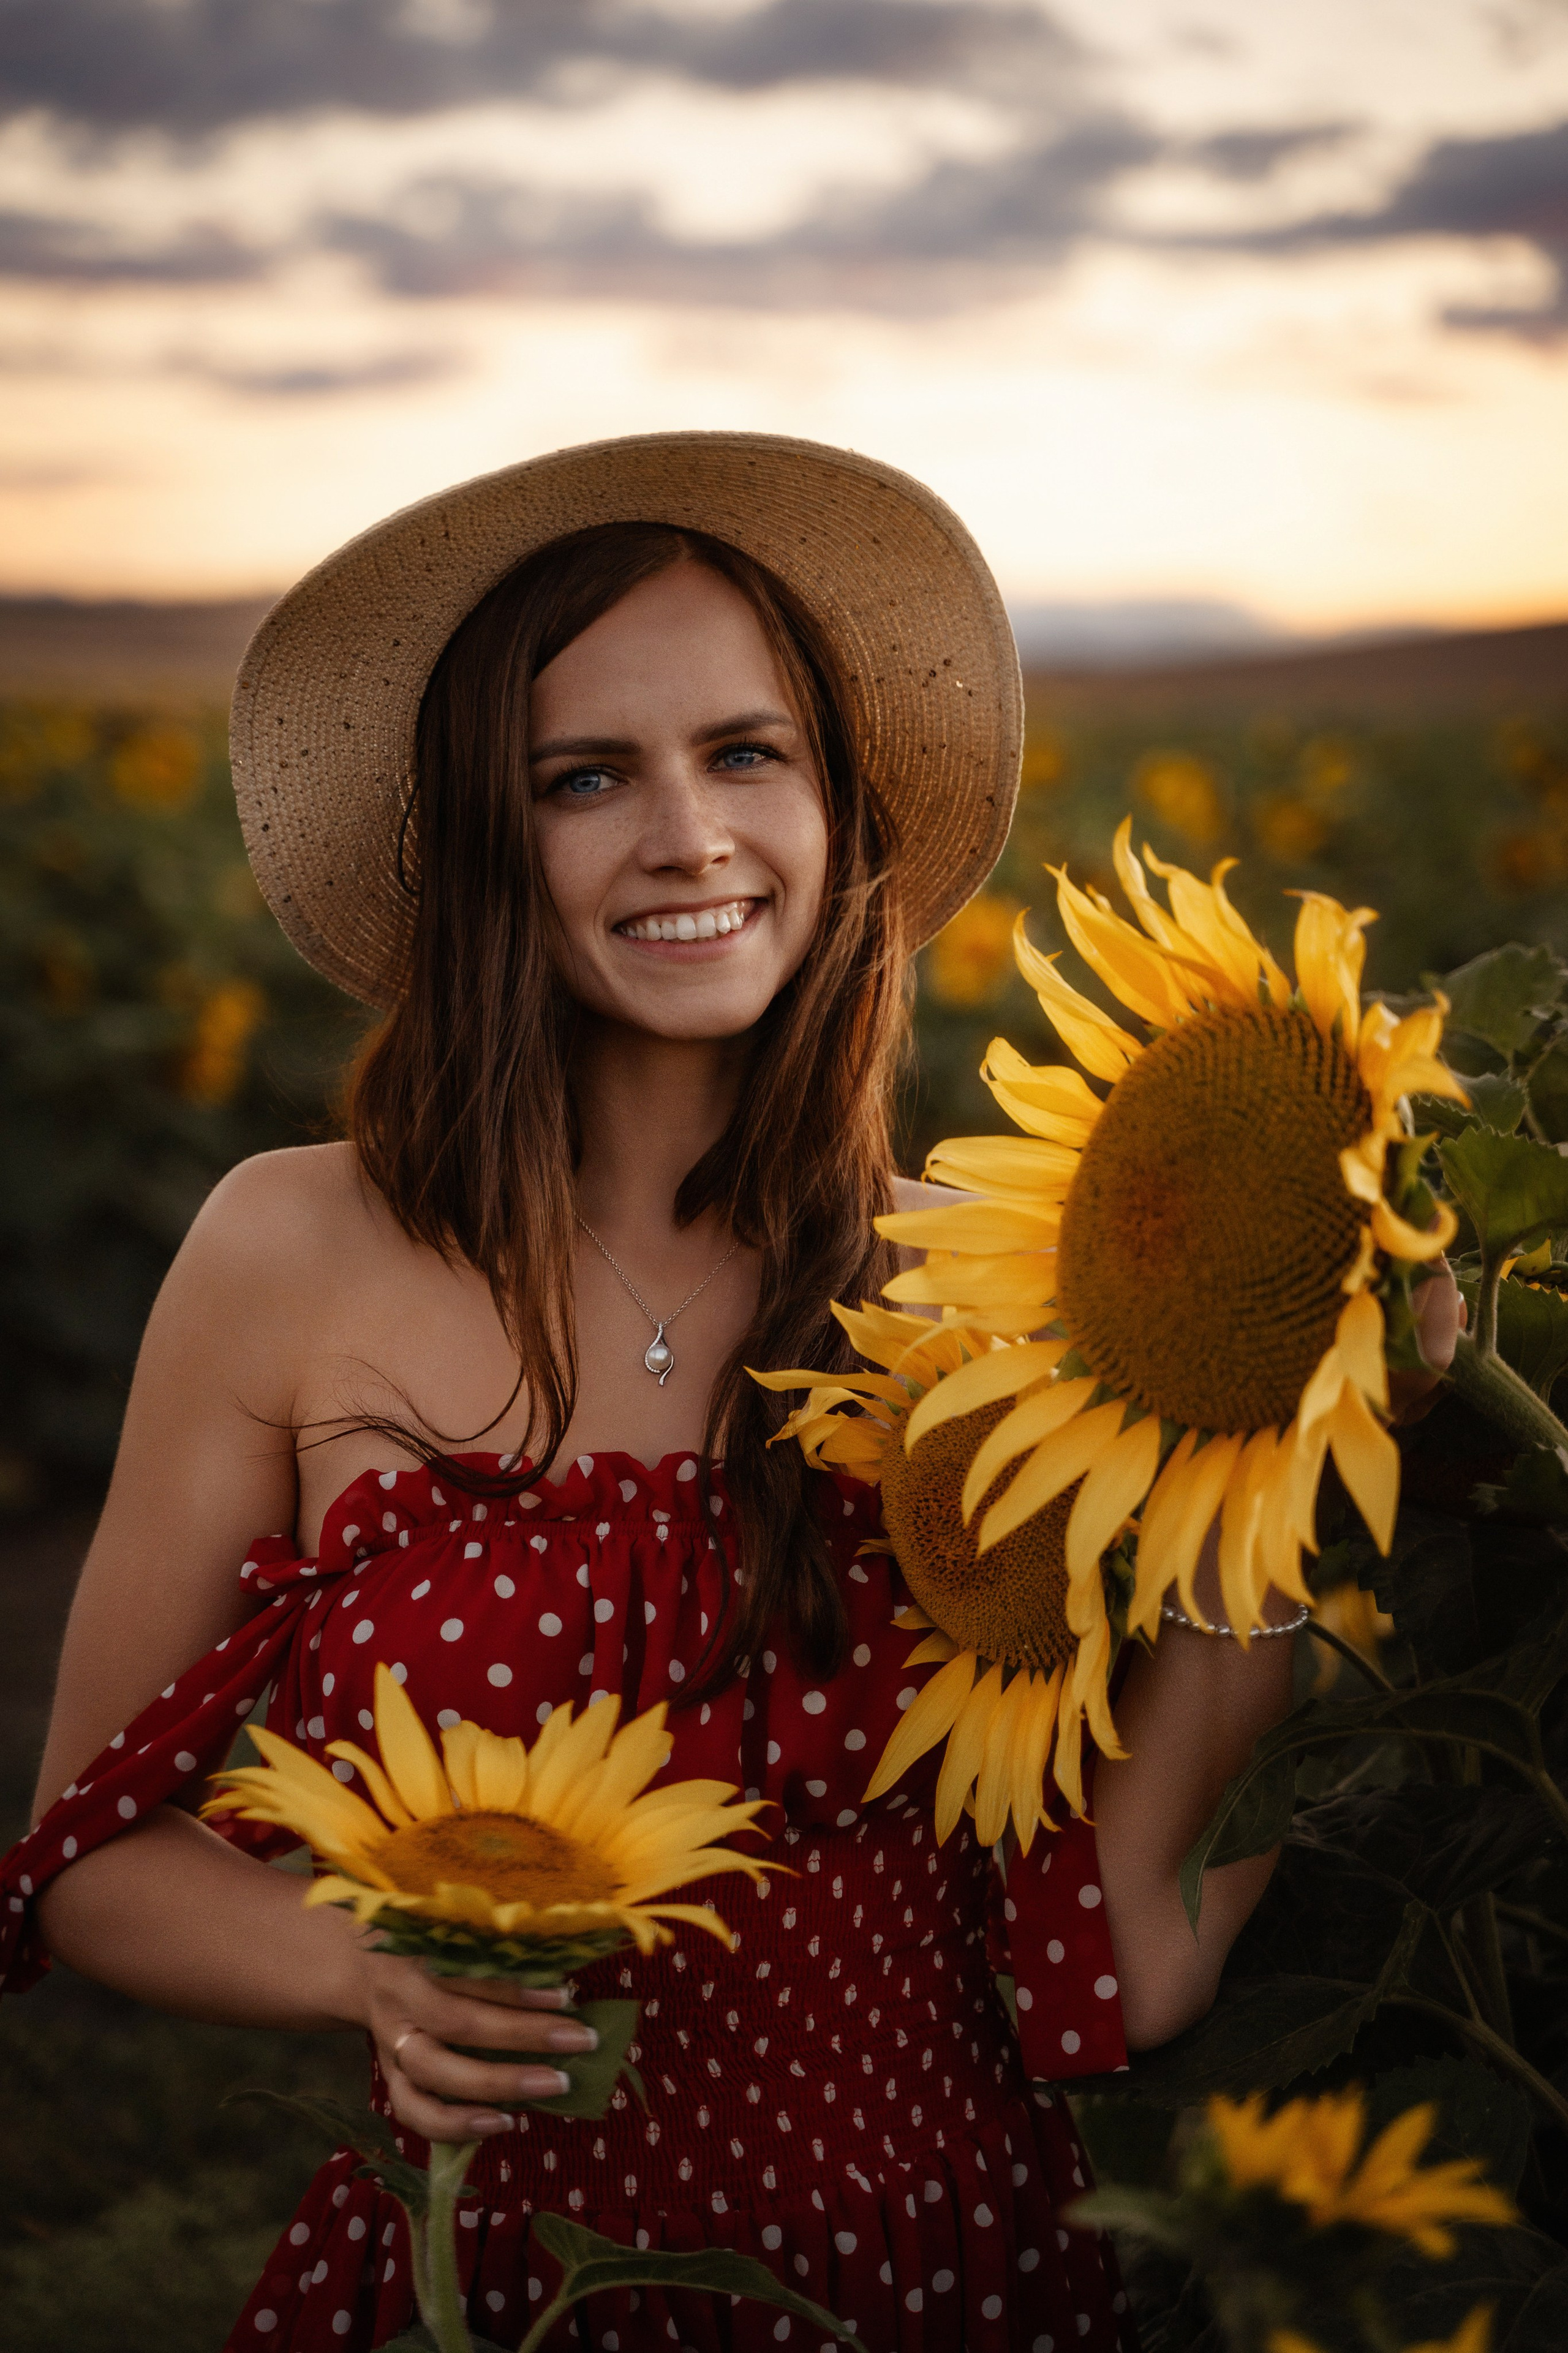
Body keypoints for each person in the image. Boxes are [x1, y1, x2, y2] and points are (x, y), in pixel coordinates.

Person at [2, 433, 1458, 2353]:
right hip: (493, 2275)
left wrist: (1274, 1449)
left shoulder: (999, 1290)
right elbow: (91, 1848)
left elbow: (1137, 1958)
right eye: (585, 775)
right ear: (482, 840)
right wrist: (367, 1971)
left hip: (944, 2281)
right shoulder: (290, 1250)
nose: (686, 833)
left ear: (842, 808)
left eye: (746, 752)